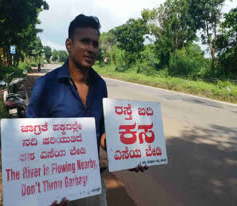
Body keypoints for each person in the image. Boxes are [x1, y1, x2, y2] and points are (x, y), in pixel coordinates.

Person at [27, 14, 147, 206]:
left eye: (95, 44)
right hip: (55, 187)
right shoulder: (45, 86)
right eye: (85, 42)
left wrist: (127, 155)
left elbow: (102, 134)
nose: (91, 48)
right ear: (69, 44)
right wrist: (42, 193)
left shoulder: (100, 86)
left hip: (91, 184)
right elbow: (31, 143)